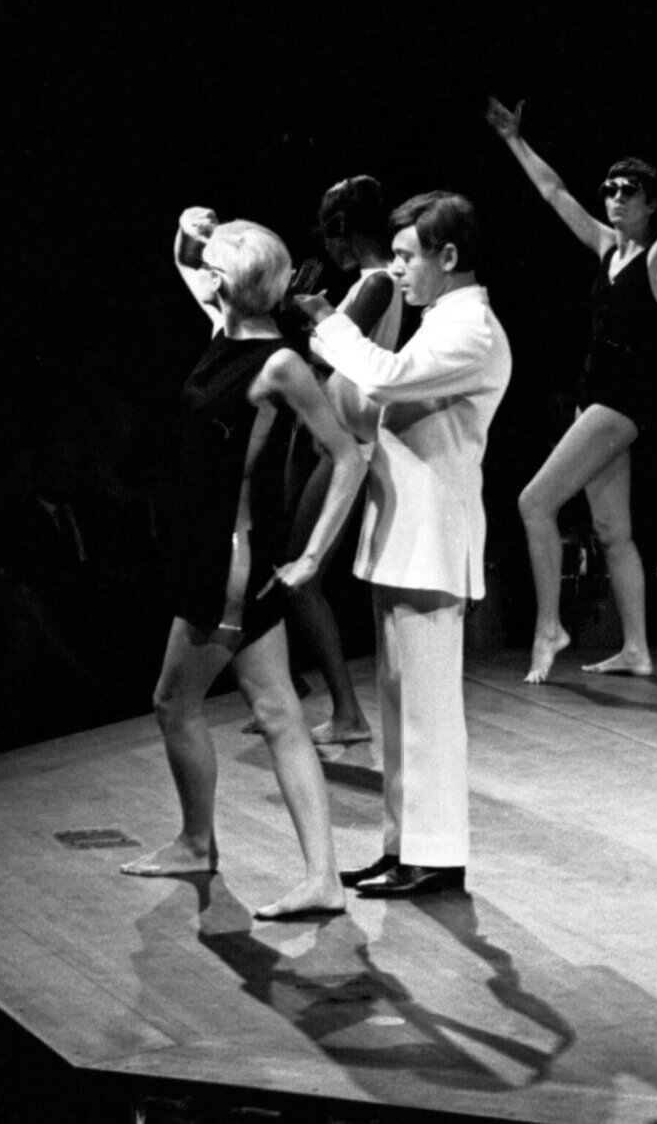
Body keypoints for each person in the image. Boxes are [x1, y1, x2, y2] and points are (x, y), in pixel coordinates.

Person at [119, 209, 368, 921]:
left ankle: (200, 842)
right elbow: (185, 264)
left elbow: (350, 455)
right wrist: (182, 227)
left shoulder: (279, 363)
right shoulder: (224, 329)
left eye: (215, 267)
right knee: (278, 711)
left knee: (174, 702)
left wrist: (313, 557)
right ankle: (319, 876)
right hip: (215, 550)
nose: (205, 274)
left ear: (232, 283)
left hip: (229, 559)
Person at [295, 191, 514, 899]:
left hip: (432, 537)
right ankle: (404, 848)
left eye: (406, 256)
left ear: (448, 258)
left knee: (429, 713)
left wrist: (331, 326)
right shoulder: (439, 322)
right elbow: (374, 401)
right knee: (398, 706)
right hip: (404, 534)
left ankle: (438, 855)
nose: (397, 270)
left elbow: (383, 379)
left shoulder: (470, 329)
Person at [485, 96, 657, 682]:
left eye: (628, 191)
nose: (615, 197)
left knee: (533, 502)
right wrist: (515, 141)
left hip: (622, 403)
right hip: (594, 397)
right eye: (611, 189)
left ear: (650, 204)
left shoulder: (656, 262)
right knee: (612, 531)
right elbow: (554, 194)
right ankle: (637, 649)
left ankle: (550, 628)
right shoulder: (605, 249)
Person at [279, 174, 400, 744]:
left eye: (328, 230)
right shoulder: (362, 285)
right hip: (332, 436)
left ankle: (348, 712)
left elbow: (334, 348)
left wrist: (311, 317)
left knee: (303, 578)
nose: (324, 244)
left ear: (344, 229)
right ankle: (291, 692)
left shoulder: (377, 283)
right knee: (292, 568)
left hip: (350, 442)